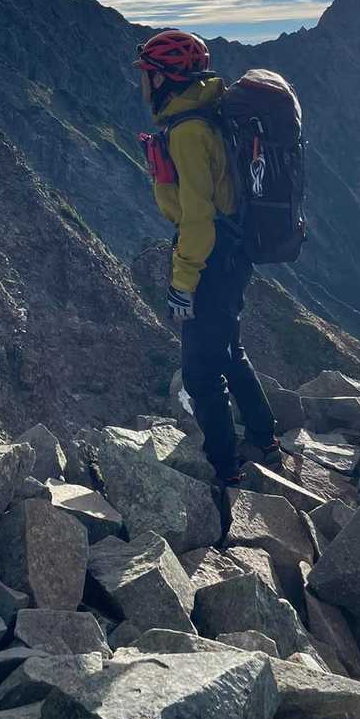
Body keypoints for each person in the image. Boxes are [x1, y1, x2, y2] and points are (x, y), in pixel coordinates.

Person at [135, 28, 282, 486]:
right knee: (229, 351)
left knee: (200, 372)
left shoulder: (188, 132)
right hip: (234, 252)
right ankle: (263, 439)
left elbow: (197, 218)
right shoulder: (209, 115)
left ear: (164, 78)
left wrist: (182, 283)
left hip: (210, 258)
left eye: (147, 74)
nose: (143, 83)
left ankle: (224, 472)